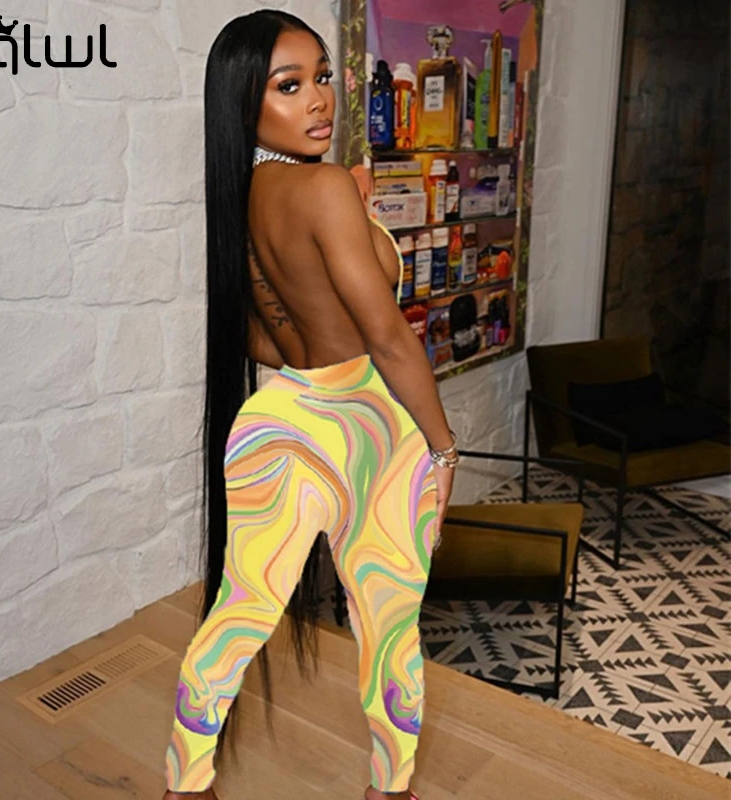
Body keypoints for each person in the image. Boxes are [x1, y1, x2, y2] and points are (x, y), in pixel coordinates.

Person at [162, 9, 458, 800]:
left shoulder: (245, 195)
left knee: (237, 614)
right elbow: (387, 338)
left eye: (323, 77)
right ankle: (389, 788)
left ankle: (184, 783)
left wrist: (352, 212)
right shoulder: (321, 187)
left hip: (279, 422)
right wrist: (442, 445)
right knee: (388, 626)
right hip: (372, 425)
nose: (319, 99)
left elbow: (263, 338)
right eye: (288, 86)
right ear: (245, 103)